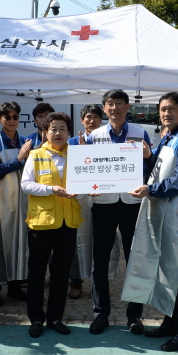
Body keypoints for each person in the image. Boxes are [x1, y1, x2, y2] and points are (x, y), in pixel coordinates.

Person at [125, 92, 178, 352]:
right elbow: (158, 169)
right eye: (162, 109)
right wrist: (148, 157)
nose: (166, 113)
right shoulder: (169, 135)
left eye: (171, 109)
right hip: (164, 211)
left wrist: (151, 191)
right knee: (167, 270)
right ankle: (171, 321)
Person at [85, 89, 153, 336]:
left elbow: (151, 165)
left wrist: (147, 160)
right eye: (110, 104)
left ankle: (134, 315)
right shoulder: (95, 135)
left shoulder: (140, 133)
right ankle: (100, 313)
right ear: (104, 108)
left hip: (132, 203)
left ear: (127, 107)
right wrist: (87, 186)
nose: (115, 108)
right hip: (103, 203)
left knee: (135, 259)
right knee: (99, 261)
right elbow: (88, 166)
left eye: (119, 103)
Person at [21, 112, 84, 338]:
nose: (58, 133)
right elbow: (26, 185)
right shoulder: (36, 155)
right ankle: (36, 318)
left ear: (69, 132)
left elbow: (85, 184)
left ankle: (55, 317)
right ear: (45, 132)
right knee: (37, 273)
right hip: (41, 223)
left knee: (61, 273)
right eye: (53, 129)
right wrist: (51, 189)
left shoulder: (78, 155)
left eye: (63, 129)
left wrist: (87, 190)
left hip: (68, 222)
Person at [0, 102, 32, 305]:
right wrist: (20, 159)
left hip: (22, 198)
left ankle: (15, 285)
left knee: (20, 242)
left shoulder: (26, 140)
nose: (12, 120)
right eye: (7, 117)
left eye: (15, 116)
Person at [66, 104, 103, 299]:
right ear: (82, 121)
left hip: (102, 198)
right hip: (78, 199)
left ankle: (98, 282)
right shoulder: (71, 142)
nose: (92, 121)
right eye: (88, 117)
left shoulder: (107, 142)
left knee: (99, 240)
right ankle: (75, 281)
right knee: (76, 240)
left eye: (96, 117)